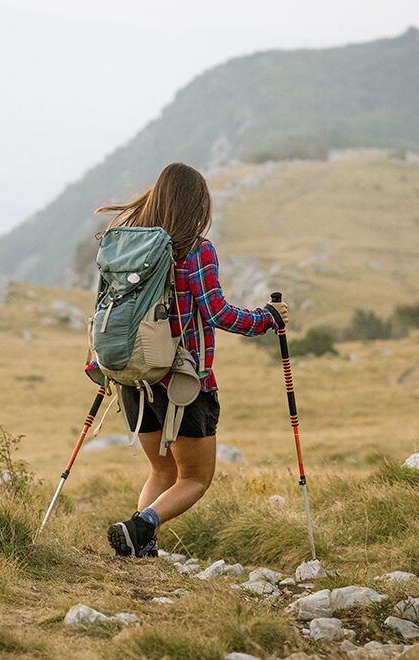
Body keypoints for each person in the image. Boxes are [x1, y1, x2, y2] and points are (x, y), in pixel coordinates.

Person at [98, 163, 288, 558]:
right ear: (196, 205)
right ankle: (141, 527)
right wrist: (266, 320)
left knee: (161, 471)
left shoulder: (126, 247)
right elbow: (217, 313)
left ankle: (137, 546)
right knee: (195, 478)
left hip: (135, 378)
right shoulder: (196, 249)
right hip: (184, 382)